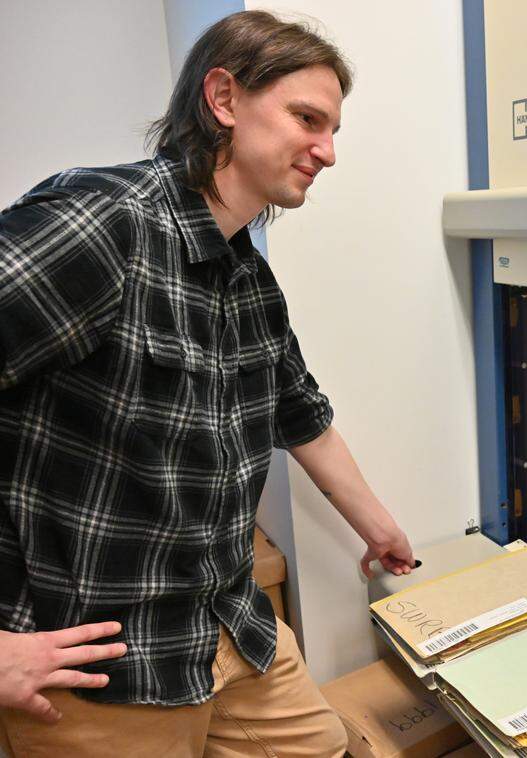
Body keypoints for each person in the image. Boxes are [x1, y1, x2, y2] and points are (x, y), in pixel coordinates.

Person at [0, 10, 413, 756]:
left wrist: (380, 529)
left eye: (334, 130)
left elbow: (301, 413)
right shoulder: (105, 224)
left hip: (230, 624)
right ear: (223, 99)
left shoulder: (246, 273)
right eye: (306, 118)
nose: (326, 151)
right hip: (102, 665)